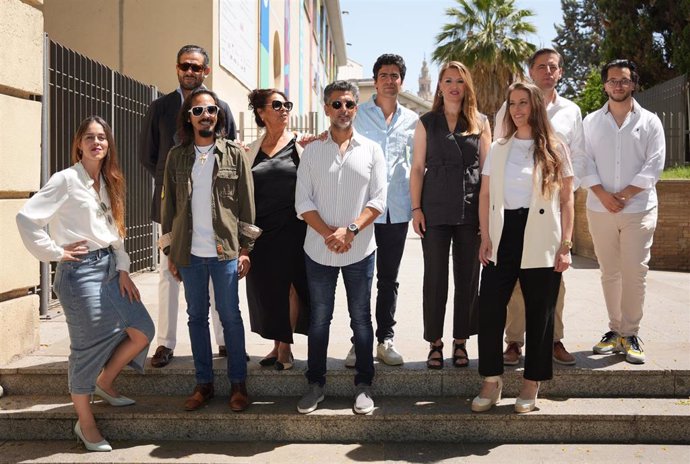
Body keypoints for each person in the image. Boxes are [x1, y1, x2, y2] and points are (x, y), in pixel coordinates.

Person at [16, 116, 154, 452]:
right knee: (87, 349)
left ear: (109, 145)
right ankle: (85, 422)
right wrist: (54, 251)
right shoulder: (65, 180)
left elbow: (115, 229)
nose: (96, 143)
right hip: (80, 274)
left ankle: (104, 382)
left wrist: (123, 268)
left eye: (102, 138)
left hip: (110, 267)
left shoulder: (108, 181)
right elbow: (26, 218)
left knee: (141, 329)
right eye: (89, 137)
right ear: (79, 144)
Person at [473, 82, 574, 414]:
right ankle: (491, 379)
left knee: (540, 313)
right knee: (489, 308)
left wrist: (566, 246)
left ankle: (532, 384)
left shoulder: (556, 148)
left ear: (536, 107)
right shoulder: (499, 147)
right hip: (503, 235)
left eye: (524, 103)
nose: (517, 109)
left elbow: (567, 199)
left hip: (542, 236)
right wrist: (485, 236)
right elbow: (486, 195)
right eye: (512, 103)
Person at [139, 44, 237, 367]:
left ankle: (223, 341)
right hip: (170, 209)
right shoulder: (159, 107)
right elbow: (148, 156)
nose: (190, 72)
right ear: (177, 67)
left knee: (214, 276)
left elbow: (230, 152)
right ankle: (166, 343)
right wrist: (173, 187)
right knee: (169, 274)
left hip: (213, 210)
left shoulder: (219, 107)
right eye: (185, 66)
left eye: (196, 67)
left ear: (205, 71)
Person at [160, 88, 255, 412]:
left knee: (230, 317)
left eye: (211, 110)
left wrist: (246, 250)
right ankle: (204, 384)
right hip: (190, 253)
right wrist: (170, 252)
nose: (206, 116)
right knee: (196, 318)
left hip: (225, 251)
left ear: (219, 115)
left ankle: (238, 384)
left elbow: (247, 208)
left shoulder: (234, 154)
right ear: (189, 117)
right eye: (198, 111)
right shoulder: (177, 156)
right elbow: (169, 208)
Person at [295, 81, 387, 415]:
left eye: (349, 104)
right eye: (336, 104)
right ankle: (315, 384)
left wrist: (348, 231)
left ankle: (364, 386)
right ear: (326, 108)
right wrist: (328, 235)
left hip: (360, 250)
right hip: (317, 251)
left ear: (356, 108)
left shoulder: (372, 150)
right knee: (319, 320)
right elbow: (301, 201)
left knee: (361, 320)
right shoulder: (312, 151)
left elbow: (378, 200)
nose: (343, 110)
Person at [494, 48, 585, 366]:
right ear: (530, 72)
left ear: (560, 72)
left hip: (552, 214)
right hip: (515, 213)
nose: (548, 71)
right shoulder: (509, 108)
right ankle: (514, 342)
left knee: (554, 283)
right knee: (516, 282)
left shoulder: (571, 111)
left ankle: (553, 339)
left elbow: (579, 155)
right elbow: (500, 154)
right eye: (541, 66)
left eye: (554, 66)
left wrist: (566, 198)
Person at [580, 59, 665, 364]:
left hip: (639, 209)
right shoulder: (590, 122)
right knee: (609, 271)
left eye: (624, 80)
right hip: (599, 208)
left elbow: (654, 164)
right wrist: (603, 195)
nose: (618, 85)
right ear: (605, 85)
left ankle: (630, 333)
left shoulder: (651, 121)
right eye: (612, 80)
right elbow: (583, 161)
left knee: (635, 271)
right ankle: (614, 330)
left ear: (634, 84)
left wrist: (626, 194)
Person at [409, 61, 491, 369]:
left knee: (468, 279)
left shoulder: (480, 122)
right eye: (448, 80)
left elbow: (488, 174)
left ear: (466, 85)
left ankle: (460, 341)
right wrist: (416, 208)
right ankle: (435, 342)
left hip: (470, 210)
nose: (454, 85)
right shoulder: (426, 122)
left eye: (459, 80)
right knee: (435, 278)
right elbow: (417, 168)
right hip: (434, 210)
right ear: (439, 86)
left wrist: (486, 222)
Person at [348, 53, 418, 367]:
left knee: (389, 278)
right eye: (384, 75)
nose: (390, 81)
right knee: (360, 277)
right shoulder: (357, 114)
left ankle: (384, 339)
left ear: (402, 82)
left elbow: (418, 166)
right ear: (375, 80)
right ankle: (358, 341)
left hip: (398, 210)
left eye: (395, 76)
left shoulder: (413, 121)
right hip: (363, 210)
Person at [245, 88, 310, 371]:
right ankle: (274, 344)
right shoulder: (251, 149)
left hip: (293, 228)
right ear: (261, 112)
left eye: (287, 104)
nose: (284, 109)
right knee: (267, 289)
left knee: (290, 287)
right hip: (261, 230)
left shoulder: (300, 145)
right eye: (277, 105)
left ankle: (286, 347)